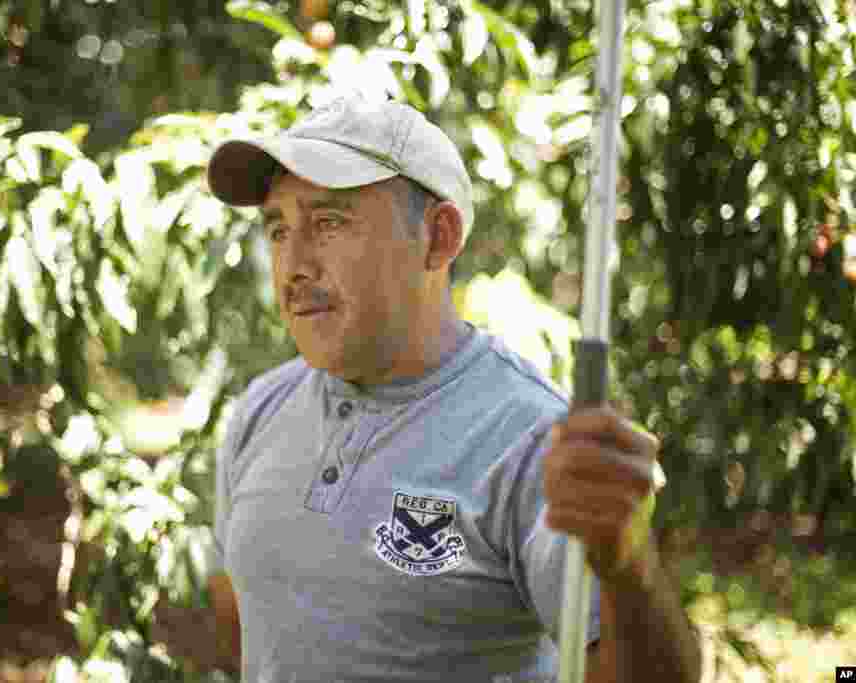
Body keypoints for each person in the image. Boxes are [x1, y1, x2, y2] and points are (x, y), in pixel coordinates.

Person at [153, 94, 702, 682]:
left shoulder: (530, 439)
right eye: (279, 230)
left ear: (437, 239)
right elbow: (250, 622)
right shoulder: (260, 411)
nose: (295, 265)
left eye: (329, 222)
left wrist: (629, 567)